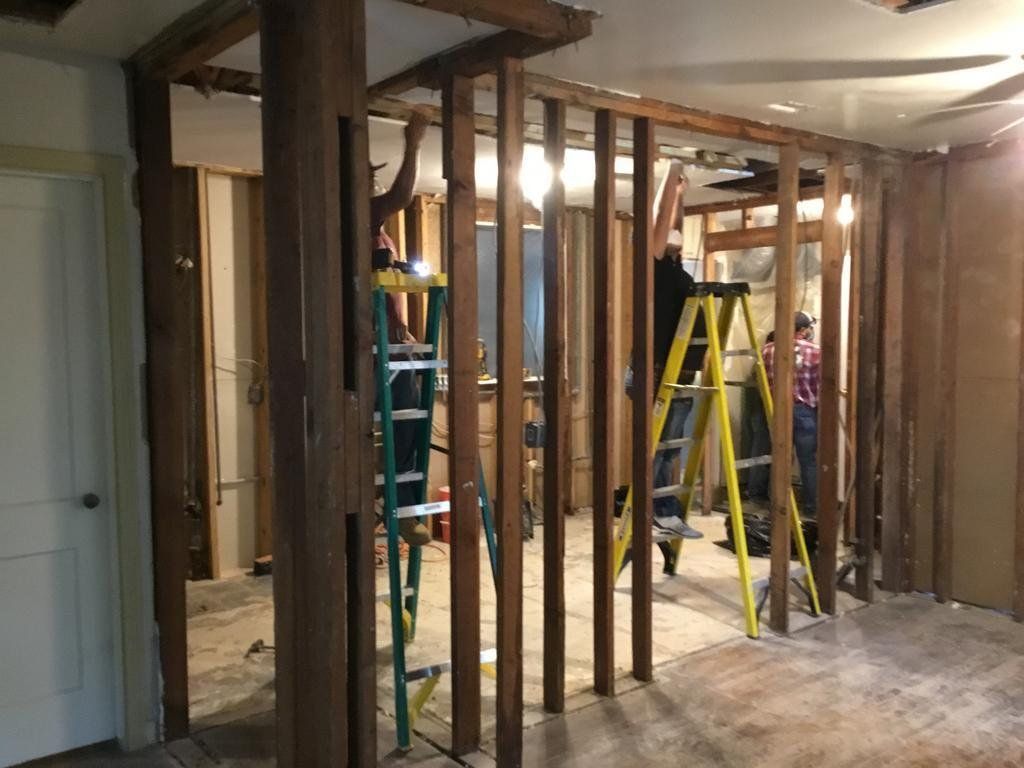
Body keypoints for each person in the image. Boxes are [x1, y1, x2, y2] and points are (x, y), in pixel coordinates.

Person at [629, 160, 705, 541]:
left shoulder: (673, 267)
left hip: (677, 371)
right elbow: (661, 220)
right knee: (662, 447)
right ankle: (659, 512)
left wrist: (681, 196)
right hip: (657, 371)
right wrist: (673, 171)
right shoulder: (652, 265)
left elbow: (675, 224)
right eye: (667, 236)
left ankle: (664, 509)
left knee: (670, 449)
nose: (674, 236)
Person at [372, 112, 432, 546]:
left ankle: (405, 509)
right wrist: (413, 144)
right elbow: (400, 195)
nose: (373, 189)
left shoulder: (382, 236)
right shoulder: (355, 217)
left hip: (395, 345)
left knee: (409, 428)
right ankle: (388, 505)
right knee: (390, 428)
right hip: (370, 348)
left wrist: (404, 331)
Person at [762, 312, 820, 517]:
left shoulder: (767, 350)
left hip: (777, 411)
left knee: (779, 459)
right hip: (804, 411)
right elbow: (822, 385)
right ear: (803, 331)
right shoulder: (815, 351)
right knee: (808, 461)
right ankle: (811, 509)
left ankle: (776, 506)